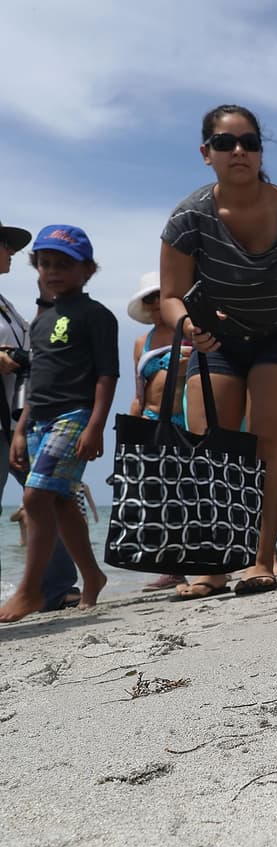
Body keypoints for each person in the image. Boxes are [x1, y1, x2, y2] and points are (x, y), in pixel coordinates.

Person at [158, 104, 277, 599]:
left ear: (260, 151)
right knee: (209, 449)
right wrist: (186, 325)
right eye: (225, 144)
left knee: (268, 447)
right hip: (217, 338)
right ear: (207, 154)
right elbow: (170, 296)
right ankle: (210, 565)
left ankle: (261, 559)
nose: (238, 151)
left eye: (249, 142)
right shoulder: (188, 217)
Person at [0, 225, 116, 623]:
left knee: (34, 498)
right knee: (62, 501)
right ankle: (93, 576)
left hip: (74, 417)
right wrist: (19, 429)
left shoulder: (97, 315)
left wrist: (96, 426)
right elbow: (34, 380)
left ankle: (31, 590)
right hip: (37, 422)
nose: (52, 271)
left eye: (63, 264)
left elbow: (106, 375)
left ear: (87, 270)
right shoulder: (41, 320)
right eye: (45, 264)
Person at [0, 217, 80, 610]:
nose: (12, 251)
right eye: (5, 243)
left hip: (16, 423)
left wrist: (47, 303)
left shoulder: (6, 305)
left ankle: (58, 587)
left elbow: (35, 343)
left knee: (47, 496)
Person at [126, 270, 192, 591]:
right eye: (148, 299)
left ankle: (217, 556)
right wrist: (131, 429)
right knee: (160, 498)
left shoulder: (191, 331)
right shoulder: (143, 342)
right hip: (153, 422)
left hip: (189, 421)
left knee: (196, 493)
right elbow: (139, 391)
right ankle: (172, 567)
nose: (154, 304)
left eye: (159, 296)